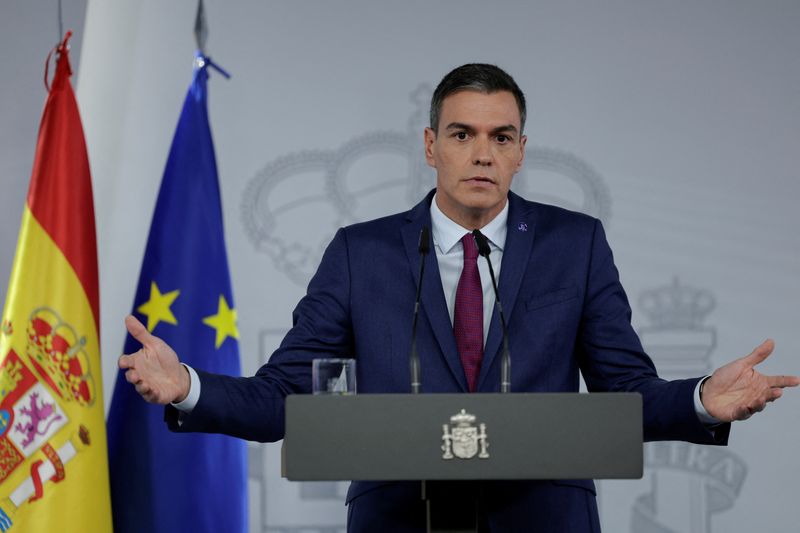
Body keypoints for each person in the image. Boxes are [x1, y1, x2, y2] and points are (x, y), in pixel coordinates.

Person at [119, 63, 799, 532]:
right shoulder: (364, 253)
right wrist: (188, 386)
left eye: (500, 137)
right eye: (462, 134)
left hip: (544, 519)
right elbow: (283, 398)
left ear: (521, 151)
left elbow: (625, 389)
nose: (482, 153)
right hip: (399, 519)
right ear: (430, 146)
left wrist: (701, 398)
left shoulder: (575, 244)